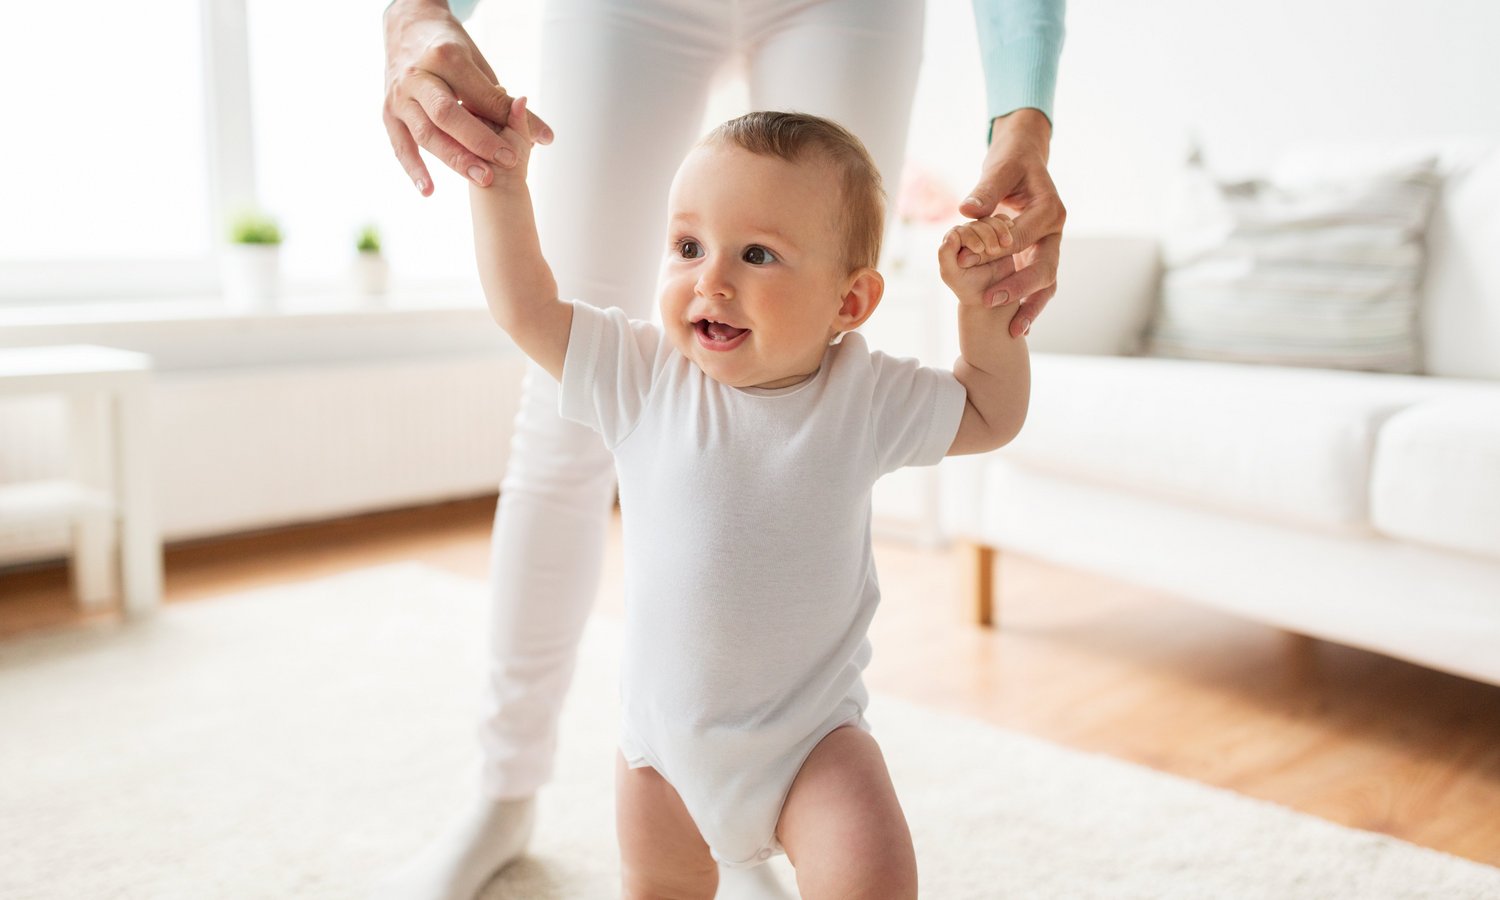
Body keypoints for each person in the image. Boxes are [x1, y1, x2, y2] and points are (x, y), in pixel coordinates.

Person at [377, 1, 1064, 897]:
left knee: (872, 874)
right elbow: (528, 307)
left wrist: (984, 319)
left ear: (851, 303)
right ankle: (500, 796)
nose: (712, 279)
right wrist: (500, 186)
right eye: (688, 246)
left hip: (816, 749)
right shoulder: (642, 373)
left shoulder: (861, 393)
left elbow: (987, 413)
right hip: (661, 759)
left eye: (758, 255)